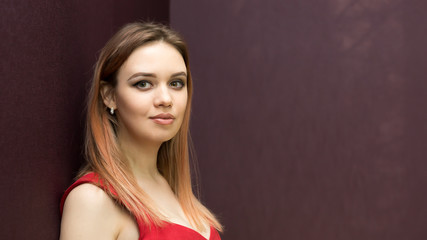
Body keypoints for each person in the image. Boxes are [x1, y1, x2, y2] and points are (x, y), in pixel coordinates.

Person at [59, 22, 222, 240]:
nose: (165, 99)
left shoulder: (172, 189)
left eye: (176, 83)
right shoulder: (93, 200)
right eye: (144, 84)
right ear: (110, 96)